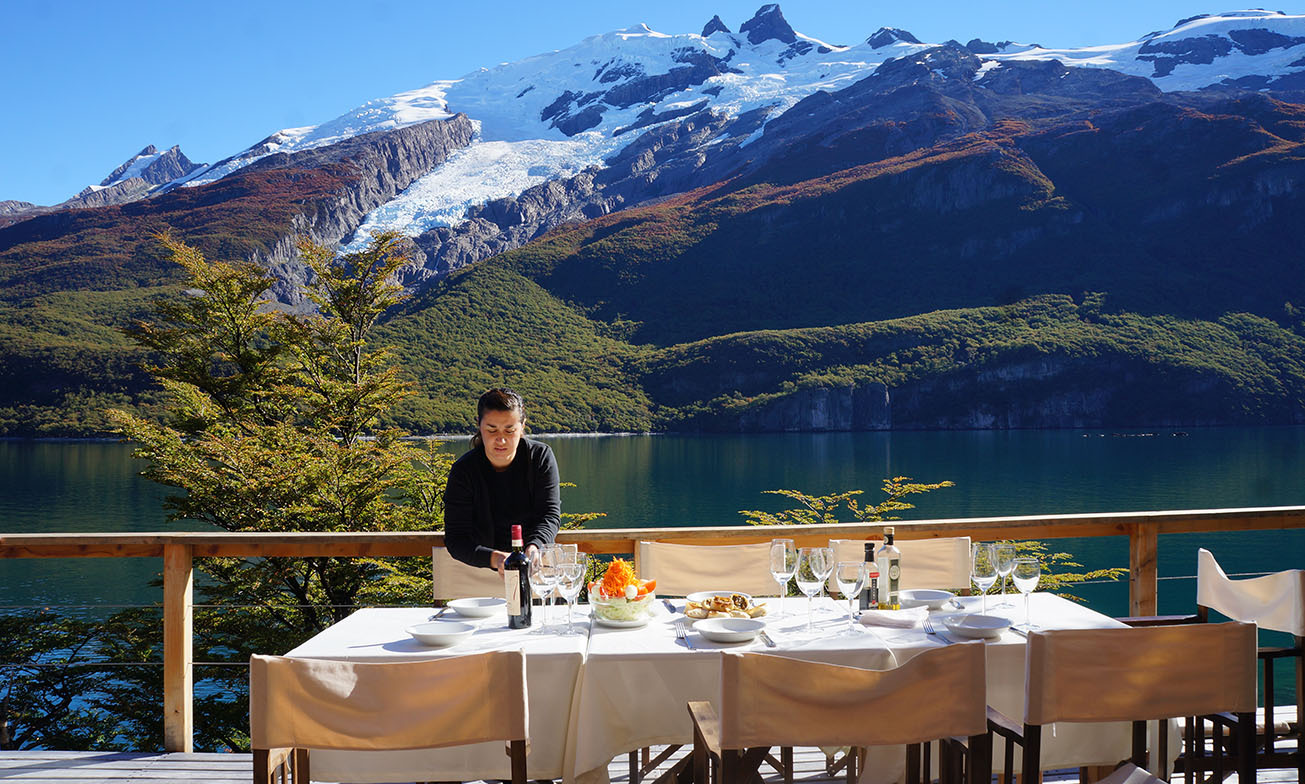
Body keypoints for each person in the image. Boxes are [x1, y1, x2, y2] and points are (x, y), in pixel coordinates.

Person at [444, 388, 561, 573]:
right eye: (492, 430)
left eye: (510, 430)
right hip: (480, 570)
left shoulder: (539, 457)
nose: (501, 440)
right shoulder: (464, 470)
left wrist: (535, 546)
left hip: (535, 567)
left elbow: (549, 514)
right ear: (479, 425)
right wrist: (496, 559)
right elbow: (457, 539)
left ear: (522, 426)